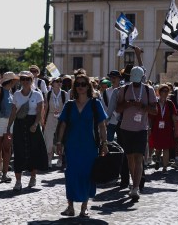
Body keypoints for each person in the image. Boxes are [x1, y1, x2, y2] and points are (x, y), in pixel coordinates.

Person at [56, 74, 108, 218]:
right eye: (78, 84)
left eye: (83, 84)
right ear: (74, 87)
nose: (80, 87)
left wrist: (104, 143)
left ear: (88, 86)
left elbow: (102, 125)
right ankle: (70, 206)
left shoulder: (95, 104)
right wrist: (59, 142)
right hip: (71, 145)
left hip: (89, 145)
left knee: (87, 175)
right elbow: (63, 125)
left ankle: (84, 207)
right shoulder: (69, 105)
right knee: (71, 175)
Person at [116, 66, 157, 200]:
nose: (135, 82)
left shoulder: (148, 90)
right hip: (126, 128)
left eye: (137, 80)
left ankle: (135, 187)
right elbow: (118, 108)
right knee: (130, 158)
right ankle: (134, 183)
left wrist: (143, 107)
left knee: (139, 158)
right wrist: (127, 105)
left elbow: (155, 111)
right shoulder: (124, 89)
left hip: (141, 129)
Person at [7, 70, 48, 191]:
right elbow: (13, 112)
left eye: (27, 79)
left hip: (32, 124)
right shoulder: (16, 95)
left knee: (33, 151)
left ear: (31, 80)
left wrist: (36, 124)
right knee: (19, 151)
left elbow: (40, 111)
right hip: (20, 125)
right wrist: (8, 127)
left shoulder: (37, 94)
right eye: (23, 79)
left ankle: (33, 177)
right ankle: (18, 181)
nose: (25, 81)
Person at [0, 72, 18, 182]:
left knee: (7, 148)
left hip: (9, 124)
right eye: (15, 80)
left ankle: (4, 174)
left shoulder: (11, 92)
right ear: (11, 81)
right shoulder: (0, 90)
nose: (17, 81)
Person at [43, 76, 69, 168]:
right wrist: (43, 120)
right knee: (49, 138)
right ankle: (49, 159)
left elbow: (67, 107)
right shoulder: (48, 94)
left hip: (61, 117)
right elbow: (45, 108)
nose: (59, 83)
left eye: (60, 81)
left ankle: (60, 159)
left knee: (60, 138)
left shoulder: (64, 94)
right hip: (50, 116)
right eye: (56, 81)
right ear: (52, 83)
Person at [150, 84, 175, 173]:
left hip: (167, 128)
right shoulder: (155, 103)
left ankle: (165, 167)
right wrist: (149, 128)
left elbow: (174, 117)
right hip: (156, 128)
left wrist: (176, 129)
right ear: (159, 92)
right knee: (158, 147)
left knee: (166, 148)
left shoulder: (170, 104)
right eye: (162, 91)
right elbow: (151, 117)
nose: (164, 93)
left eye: (166, 91)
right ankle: (157, 159)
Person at [105, 70, 122, 142]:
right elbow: (105, 106)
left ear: (119, 79)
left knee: (121, 143)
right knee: (109, 142)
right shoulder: (106, 91)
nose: (113, 79)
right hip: (110, 121)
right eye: (111, 78)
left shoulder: (123, 89)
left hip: (121, 121)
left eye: (115, 78)